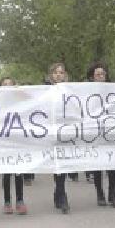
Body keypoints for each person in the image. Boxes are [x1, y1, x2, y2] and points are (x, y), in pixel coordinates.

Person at [86, 62, 115, 208]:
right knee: (98, 164)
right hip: (95, 132)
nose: (101, 77)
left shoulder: (113, 89)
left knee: (113, 163)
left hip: (111, 131)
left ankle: (112, 193)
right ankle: (100, 193)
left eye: (103, 74)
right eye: (98, 74)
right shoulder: (86, 91)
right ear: (92, 77)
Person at [0, 77, 28, 214]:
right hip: (4, 141)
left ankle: (20, 200)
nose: (7, 86)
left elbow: (32, 101)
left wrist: (21, 91)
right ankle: (7, 201)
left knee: (18, 172)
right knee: (6, 173)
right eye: (4, 84)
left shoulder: (19, 100)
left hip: (17, 140)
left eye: (10, 84)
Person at [46, 62, 71, 213]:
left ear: (65, 75)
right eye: (55, 73)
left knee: (64, 164)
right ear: (51, 75)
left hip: (66, 131)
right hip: (50, 132)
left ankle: (59, 192)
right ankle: (62, 195)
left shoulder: (71, 90)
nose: (58, 75)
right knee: (57, 165)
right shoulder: (44, 90)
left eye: (61, 72)